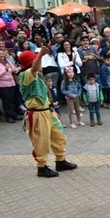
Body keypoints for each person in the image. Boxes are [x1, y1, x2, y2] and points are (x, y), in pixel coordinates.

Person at [17, 48, 77, 178]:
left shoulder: (37, 74)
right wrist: (40, 55)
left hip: (47, 111)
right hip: (37, 113)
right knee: (41, 140)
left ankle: (60, 161)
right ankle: (42, 167)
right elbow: (33, 68)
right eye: (34, 59)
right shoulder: (25, 75)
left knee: (59, 136)